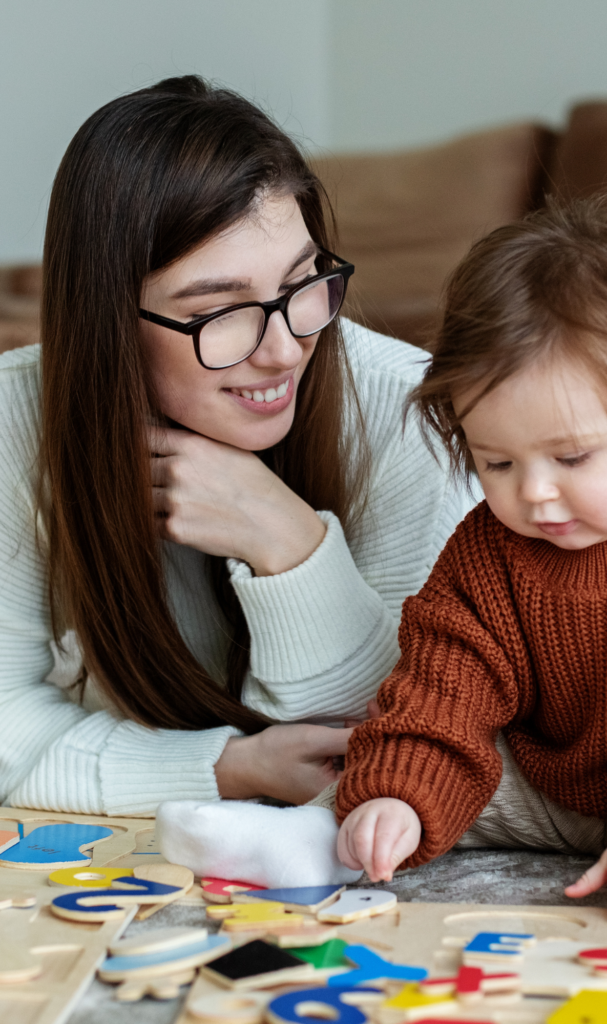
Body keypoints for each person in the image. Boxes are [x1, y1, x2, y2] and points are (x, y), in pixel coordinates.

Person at [0, 76, 473, 817]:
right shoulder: (12, 421)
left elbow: (398, 741)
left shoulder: (413, 415)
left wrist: (288, 542)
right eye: (221, 312)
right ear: (109, 322)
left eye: (302, 282)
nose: (285, 349)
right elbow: (7, 732)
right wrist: (229, 767)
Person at [333, 190, 607, 940]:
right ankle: (338, 835)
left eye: (572, 456)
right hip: (556, 795)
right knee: (396, 791)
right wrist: (395, 799)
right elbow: (441, 691)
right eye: (497, 461)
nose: (535, 493)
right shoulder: (486, 551)